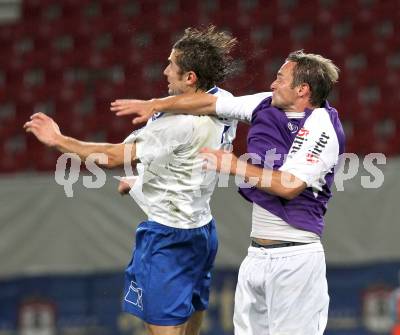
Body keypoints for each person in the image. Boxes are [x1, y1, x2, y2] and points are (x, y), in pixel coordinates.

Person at [111, 50, 345, 335]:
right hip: (256, 256)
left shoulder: (322, 126)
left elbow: (289, 186)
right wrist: (157, 104)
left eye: (280, 78)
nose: (272, 84)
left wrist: (234, 165)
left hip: (296, 259)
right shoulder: (265, 104)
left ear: (302, 89)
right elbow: (210, 103)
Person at [24, 26, 238, 335]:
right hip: (203, 230)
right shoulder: (224, 101)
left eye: (171, 65)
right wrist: (141, 183)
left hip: (169, 239)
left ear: (190, 77)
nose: (165, 71)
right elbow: (189, 165)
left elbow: (112, 157)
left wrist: (58, 140)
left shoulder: (178, 124)